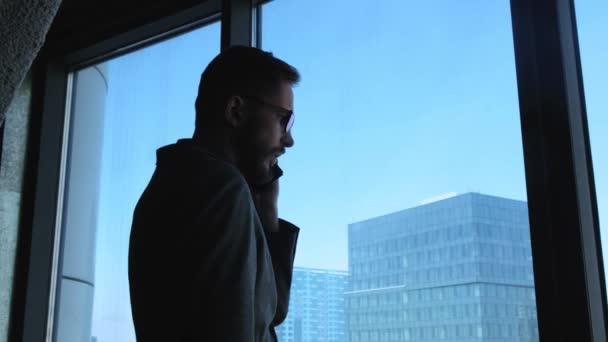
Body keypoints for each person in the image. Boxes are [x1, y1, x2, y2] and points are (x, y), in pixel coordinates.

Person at [128, 46, 301, 341]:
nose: (289, 139)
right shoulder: (221, 190)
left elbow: (270, 313)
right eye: (283, 120)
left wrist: (266, 209)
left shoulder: (177, 182)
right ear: (236, 111)